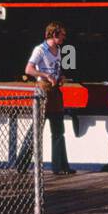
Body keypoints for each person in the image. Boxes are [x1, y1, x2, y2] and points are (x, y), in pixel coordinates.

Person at [25, 21, 75, 175]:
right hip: (43, 90)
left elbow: (56, 69)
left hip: (55, 91)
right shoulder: (40, 50)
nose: (64, 38)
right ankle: (22, 163)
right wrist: (46, 75)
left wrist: (60, 77)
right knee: (36, 129)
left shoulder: (58, 50)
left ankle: (60, 166)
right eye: (62, 35)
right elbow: (29, 69)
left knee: (58, 130)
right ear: (54, 34)